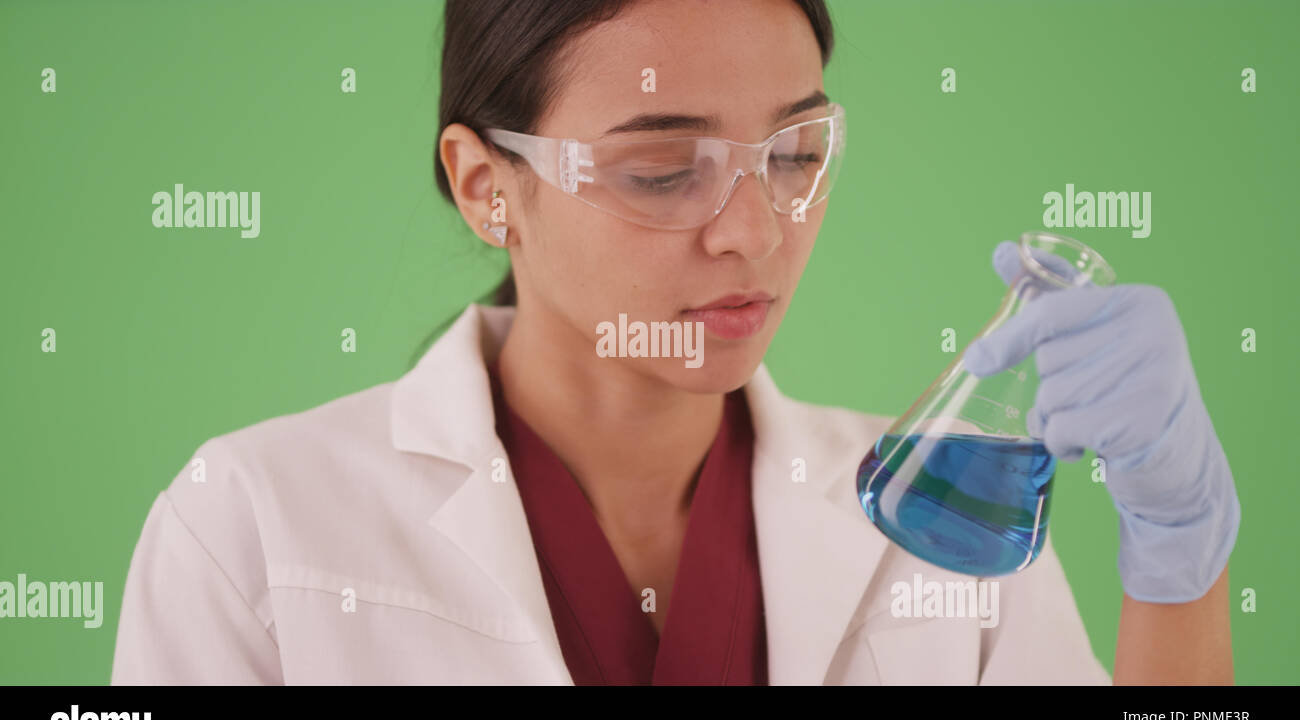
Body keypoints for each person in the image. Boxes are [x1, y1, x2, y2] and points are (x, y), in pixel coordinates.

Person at [111, 0, 1239, 685]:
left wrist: (1179, 566)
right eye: (660, 170)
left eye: (794, 155)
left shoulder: (949, 525)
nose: (751, 233)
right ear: (483, 185)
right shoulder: (252, 521)